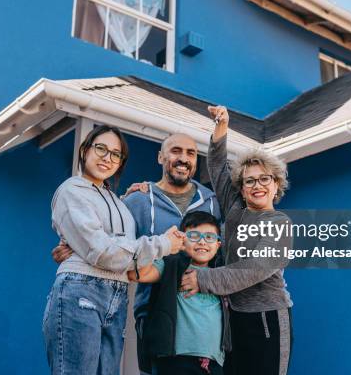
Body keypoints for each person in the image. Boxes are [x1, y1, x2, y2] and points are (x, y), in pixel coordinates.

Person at [52, 133, 222, 374]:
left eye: (191, 153)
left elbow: (225, 253)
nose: (183, 158)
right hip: (151, 312)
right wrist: (75, 245)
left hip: (203, 323)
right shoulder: (138, 200)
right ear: (160, 157)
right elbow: (108, 236)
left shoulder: (213, 202)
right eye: (175, 151)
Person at [180, 106, 294, 375]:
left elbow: (254, 268)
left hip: (268, 319)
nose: (257, 186)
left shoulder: (279, 223)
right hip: (233, 319)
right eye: (249, 181)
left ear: (276, 184)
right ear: (241, 188)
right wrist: (221, 127)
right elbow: (218, 166)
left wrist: (203, 279)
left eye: (264, 179)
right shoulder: (235, 210)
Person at [128, 211, 229, 375]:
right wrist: (164, 244)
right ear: (182, 240)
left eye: (210, 237)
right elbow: (137, 274)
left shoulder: (221, 275)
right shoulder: (171, 265)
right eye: (194, 235)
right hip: (175, 359)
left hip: (213, 363)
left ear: (218, 245)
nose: (202, 242)